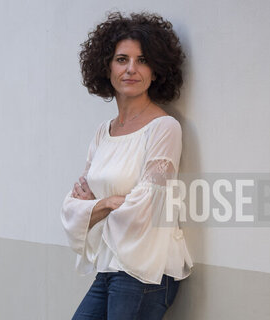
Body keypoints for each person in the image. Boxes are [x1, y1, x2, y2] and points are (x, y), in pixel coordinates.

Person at [61, 11, 193, 320]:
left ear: (157, 71)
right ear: (106, 66)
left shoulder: (164, 128)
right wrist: (106, 203)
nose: (132, 69)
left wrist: (96, 206)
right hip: (110, 265)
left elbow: (150, 201)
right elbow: (73, 202)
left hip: (146, 269)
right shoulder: (103, 133)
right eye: (122, 59)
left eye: (143, 60)